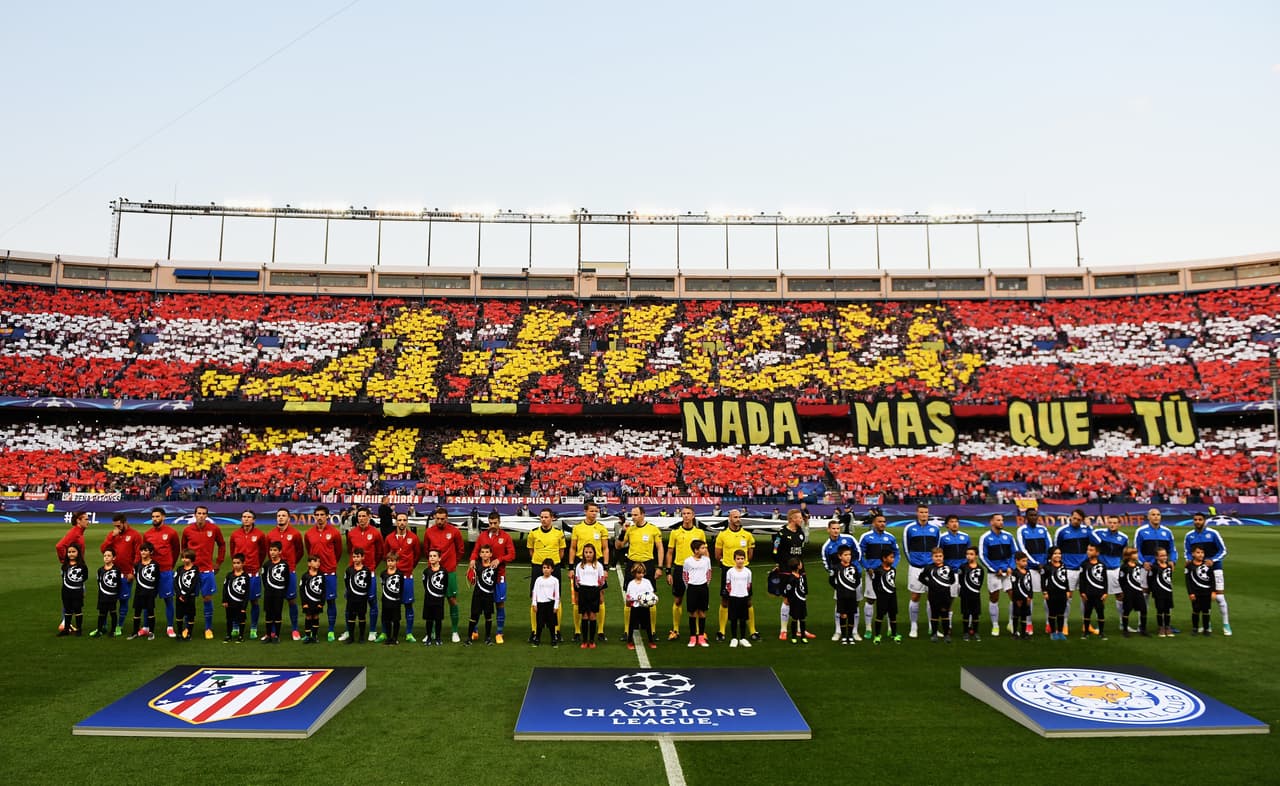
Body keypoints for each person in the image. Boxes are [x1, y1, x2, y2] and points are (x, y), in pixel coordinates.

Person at [616, 506, 664, 642]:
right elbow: (618, 546)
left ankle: (652, 630)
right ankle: (627, 630)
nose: (633, 517)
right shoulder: (630, 529)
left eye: (636, 515)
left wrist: (659, 567)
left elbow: (660, 548)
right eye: (632, 515)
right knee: (629, 598)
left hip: (648, 565)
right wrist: (622, 532)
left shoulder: (653, 529)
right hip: (632, 564)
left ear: (643, 514)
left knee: (651, 598)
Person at [470, 511, 516, 644]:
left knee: (499, 603)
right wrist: (473, 559)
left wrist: (499, 559)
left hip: (499, 575)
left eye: (495, 523)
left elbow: (512, 555)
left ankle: (499, 632)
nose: (493, 525)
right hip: (483, 576)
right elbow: (475, 551)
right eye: (490, 523)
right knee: (479, 603)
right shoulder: (482, 536)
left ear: (499, 522)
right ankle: (475, 631)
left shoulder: (506, 537)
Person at [180, 504, 226, 640]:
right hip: (191, 571)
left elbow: (222, 545)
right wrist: (185, 562)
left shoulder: (214, 529)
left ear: (206, 515)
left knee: (207, 598)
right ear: (195, 515)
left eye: (203, 513)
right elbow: (183, 547)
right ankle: (187, 627)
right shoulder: (187, 530)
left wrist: (218, 562)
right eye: (199, 513)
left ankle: (208, 628)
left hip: (206, 570)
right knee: (188, 600)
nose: (201, 515)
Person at [569, 503, 611, 643]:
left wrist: (605, 567)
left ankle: (600, 630)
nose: (594, 513)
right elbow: (573, 548)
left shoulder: (601, 528)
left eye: (596, 511)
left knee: (600, 597)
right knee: (577, 598)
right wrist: (570, 567)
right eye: (592, 511)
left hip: (596, 567)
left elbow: (605, 549)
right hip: (580, 565)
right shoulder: (578, 528)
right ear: (585, 511)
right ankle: (577, 631)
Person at [1184, 512, 1230, 635]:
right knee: (1202, 598)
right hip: (1198, 570)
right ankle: (1206, 625)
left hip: (1215, 568)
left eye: (1200, 519)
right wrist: (1188, 560)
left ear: (1204, 520)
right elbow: (1187, 551)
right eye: (1195, 519)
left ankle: (1226, 624)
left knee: (1219, 597)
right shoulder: (1189, 536)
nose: (1197, 521)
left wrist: (1213, 560)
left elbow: (1223, 550)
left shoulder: (1213, 533)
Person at [715, 509, 757, 641]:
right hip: (728, 570)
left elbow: (750, 554)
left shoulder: (747, 535)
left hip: (743, 572)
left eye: (739, 517)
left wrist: (743, 564)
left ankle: (752, 630)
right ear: (729, 519)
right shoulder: (722, 535)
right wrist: (726, 564)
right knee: (725, 600)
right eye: (735, 517)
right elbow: (717, 554)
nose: (738, 519)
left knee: (748, 600)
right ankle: (721, 631)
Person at [423, 507, 465, 643]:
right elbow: (426, 550)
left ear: (447, 518)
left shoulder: (454, 531)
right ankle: (432, 632)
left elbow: (460, 550)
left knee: (452, 600)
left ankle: (454, 631)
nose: (440, 521)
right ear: (434, 517)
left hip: (449, 572)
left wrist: (453, 564)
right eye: (438, 518)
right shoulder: (429, 532)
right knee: (432, 601)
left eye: (442, 519)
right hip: (433, 573)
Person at [664, 506, 704, 642]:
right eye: (684, 514)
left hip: (696, 570)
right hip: (680, 569)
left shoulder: (699, 533)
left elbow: (705, 552)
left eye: (688, 513)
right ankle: (675, 630)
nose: (686, 516)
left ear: (693, 515)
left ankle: (699, 631)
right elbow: (670, 552)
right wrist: (668, 571)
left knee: (697, 602)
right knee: (678, 600)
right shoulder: (675, 533)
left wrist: (707, 567)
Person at [342, 508, 383, 642]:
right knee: (350, 603)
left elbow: (380, 553)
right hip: (353, 574)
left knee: (372, 602)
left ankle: (372, 631)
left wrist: (371, 567)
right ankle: (349, 631)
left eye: (364, 516)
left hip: (369, 573)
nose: (361, 518)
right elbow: (349, 550)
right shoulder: (352, 533)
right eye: (359, 516)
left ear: (369, 517)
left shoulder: (375, 533)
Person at [303, 505, 342, 642]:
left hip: (329, 572)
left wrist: (330, 563)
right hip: (314, 573)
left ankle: (331, 630)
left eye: (322, 515)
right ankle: (312, 632)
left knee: (330, 601)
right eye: (317, 515)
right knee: (312, 603)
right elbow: (309, 550)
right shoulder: (308, 533)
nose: (319, 517)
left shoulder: (334, 532)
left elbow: (338, 551)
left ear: (327, 516)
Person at [858, 510, 899, 640]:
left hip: (887, 574)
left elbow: (897, 554)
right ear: (874, 523)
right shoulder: (866, 537)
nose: (882, 524)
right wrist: (867, 567)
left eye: (884, 522)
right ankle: (869, 628)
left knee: (888, 600)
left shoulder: (890, 537)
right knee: (870, 599)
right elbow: (859, 555)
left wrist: (893, 566)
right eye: (879, 521)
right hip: (872, 573)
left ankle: (890, 629)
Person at [528, 509, 567, 644]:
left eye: (546, 517)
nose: (543, 519)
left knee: (556, 598)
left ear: (552, 518)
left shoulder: (558, 533)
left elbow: (562, 552)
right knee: (535, 597)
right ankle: (534, 631)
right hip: (538, 567)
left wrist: (552, 564)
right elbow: (531, 550)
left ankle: (556, 630)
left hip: (554, 567)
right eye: (542, 517)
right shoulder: (533, 533)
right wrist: (540, 564)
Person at [266, 508, 305, 640]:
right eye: (279, 515)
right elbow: (268, 552)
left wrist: (291, 564)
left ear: (289, 518)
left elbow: (300, 551)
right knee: (273, 601)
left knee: (291, 600)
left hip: (289, 572)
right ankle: (272, 630)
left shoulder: (295, 533)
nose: (281, 518)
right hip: (274, 574)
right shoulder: (271, 534)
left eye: (283, 515)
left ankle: (294, 629)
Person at [229, 510, 268, 639]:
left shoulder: (260, 535)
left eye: (249, 517)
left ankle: (253, 627)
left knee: (254, 601)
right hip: (238, 574)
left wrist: (256, 565)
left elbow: (263, 552)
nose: (246, 519)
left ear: (254, 520)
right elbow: (232, 552)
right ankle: (235, 625)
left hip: (252, 573)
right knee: (235, 601)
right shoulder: (235, 535)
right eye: (244, 517)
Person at [903, 504, 941, 639]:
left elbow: (938, 547)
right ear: (917, 513)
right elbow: (906, 548)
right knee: (915, 596)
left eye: (926, 512)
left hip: (931, 569)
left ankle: (933, 625)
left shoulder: (935, 529)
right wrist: (914, 562)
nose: (924, 514)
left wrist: (934, 565)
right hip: (916, 567)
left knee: (932, 597)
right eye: (921, 512)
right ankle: (914, 625)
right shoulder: (909, 528)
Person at [385, 511, 424, 642]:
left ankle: (409, 633)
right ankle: (386, 633)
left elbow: (417, 555)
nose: (402, 522)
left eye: (404, 520)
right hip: (392, 577)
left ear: (407, 522)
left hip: (407, 575)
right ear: (396, 522)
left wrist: (410, 567)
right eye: (399, 520)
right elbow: (386, 554)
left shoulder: (413, 537)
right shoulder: (389, 538)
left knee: (408, 604)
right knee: (389, 605)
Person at [101, 513, 141, 638]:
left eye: (119, 525)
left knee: (123, 600)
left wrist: (132, 572)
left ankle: (120, 625)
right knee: (108, 601)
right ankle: (105, 625)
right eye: (115, 526)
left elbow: (138, 555)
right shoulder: (113, 534)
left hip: (126, 574)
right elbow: (103, 550)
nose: (117, 528)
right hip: (112, 574)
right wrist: (112, 537)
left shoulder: (135, 535)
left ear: (125, 522)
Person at [772, 508, 810, 640]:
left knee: (801, 597)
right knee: (787, 599)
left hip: (800, 570)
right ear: (792, 519)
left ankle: (800, 629)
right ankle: (783, 629)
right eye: (799, 518)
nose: (801, 519)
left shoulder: (800, 532)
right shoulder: (781, 533)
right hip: (786, 570)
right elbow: (775, 550)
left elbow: (800, 550)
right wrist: (779, 564)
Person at [1054, 508, 1093, 634]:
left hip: (1084, 569)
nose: (1076, 521)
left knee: (1086, 597)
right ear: (1070, 517)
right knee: (1067, 597)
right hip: (1068, 569)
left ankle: (1086, 624)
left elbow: (1097, 542)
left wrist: (1089, 527)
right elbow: (1056, 548)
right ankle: (1064, 624)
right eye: (1074, 518)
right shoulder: (1062, 531)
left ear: (1082, 520)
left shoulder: (1086, 531)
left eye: (1079, 519)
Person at [143, 507, 180, 638]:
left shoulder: (171, 533)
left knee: (168, 600)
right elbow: (144, 552)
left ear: (163, 517)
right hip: (150, 573)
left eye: (157, 516)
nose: (155, 519)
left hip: (165, 571)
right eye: (153, 517)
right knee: (147, 601)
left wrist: (170, 564)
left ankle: (170, 627)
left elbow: (176, 550)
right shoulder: (147, 534)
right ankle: (146, 627)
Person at [821, 520, 860, 641]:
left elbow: (858, 552)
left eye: (838, 528)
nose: (836, 531)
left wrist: (851, 568)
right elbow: (826, 563)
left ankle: (854, 631)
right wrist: (835, 574)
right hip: (840, 580)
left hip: (854, 577)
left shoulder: (849, 538)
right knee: (839, 604)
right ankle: (838, 631)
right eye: (833, 528)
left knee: (856, 603)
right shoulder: (826, 546)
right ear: (828, 530)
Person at [1015, 508, 1051, 635]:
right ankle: (1029, 624)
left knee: (1048, 596)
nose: (1034, 517)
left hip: (1044, 567)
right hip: (1030, 568)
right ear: (1026, 517)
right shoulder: (1022, 530)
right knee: (1028, 597)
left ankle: (1049, 623)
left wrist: (1047, 561)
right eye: (1031, 515)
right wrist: (1035, 563)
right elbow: (1022, 549)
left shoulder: (1043, 529)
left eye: (1035, 515)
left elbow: (1049, 546)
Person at [978, 513, 1015, 638]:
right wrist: (994, 569)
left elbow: (1013, 553)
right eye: (998, 520)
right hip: (994, 573)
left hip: (1008, 572)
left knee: (1014, 597)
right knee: (994, 598)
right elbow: (983, 556)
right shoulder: (986, 537)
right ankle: (995, 625)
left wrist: (1011, 567)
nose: (1001, 522)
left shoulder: (1009, 536)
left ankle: (1011, 623)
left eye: (1002, 520)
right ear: (992, 522)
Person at [1092, 514, 1129, 629]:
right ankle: (1100, 624)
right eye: (1110, 522)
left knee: (1120, 596)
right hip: (1101, 571)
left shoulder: (1123, 538)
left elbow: (1125, 555)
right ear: (1107, 523)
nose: (1112, 524)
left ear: (1119, 524)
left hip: (1116, 570)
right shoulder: (1099, 533)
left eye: (1115, 523)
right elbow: (1090, 537)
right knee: (1101, 598)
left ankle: (1123, 623)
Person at [938, 514, 969, 632]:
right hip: (950, 574)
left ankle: (969, 624)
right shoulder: (943, 538)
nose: (955, 524)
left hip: (963, 573)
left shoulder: (965, 537)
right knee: (949, 600)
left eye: (956, 521)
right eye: (951, 522)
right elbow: (940, 555)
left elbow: (969, 554)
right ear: (947, 525)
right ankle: (948, 625)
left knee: (967, 599)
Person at [573, 543, 607, 649]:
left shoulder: (598, 566)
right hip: (583, 591)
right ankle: (584, 641)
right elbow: (577, 582)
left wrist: (601, 595)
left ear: (594, 553)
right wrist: (577, 596)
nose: (588, 554)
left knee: (592, 615)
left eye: (590, 552)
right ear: (583, 553)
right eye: (586, 552)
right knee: (584, 616)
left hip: (594, 591)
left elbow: (601, 581)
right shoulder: (579, 566)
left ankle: (592, 641)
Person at [918, 547, 955, 643]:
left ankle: (946, 634)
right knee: (934, 614)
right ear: (932, 557)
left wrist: (944, 585)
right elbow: (921, 578)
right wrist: (930, 584)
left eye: (940, 556)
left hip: (945, 595)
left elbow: (952, 580)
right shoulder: (928, 568)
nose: (938, 558)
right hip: (933, 595)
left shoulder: (948, 567)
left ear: (943, 557)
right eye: (936, 556)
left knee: (945, 614)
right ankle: (934, 634)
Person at [466, 544, 500, 646]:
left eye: (487, 552)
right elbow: (471, 578)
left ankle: (488, 637)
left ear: (491, 554)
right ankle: (469, 637)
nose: (485, 554)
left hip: (488, 595)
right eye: (482, 552)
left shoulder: (494, 566)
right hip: (477, 595)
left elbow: (494, 582)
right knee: (474, 615)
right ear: (479, 554)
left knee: (488, 616)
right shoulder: (476, 565)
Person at [681, 539, 712, 647]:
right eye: (702, 548)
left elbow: (709, 573)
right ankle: (693, 637)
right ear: (696, 550)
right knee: (693, 613)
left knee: (702, 612)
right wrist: (688, 586)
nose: (705, 549)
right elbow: (685, 575)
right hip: (692, 588)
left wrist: (705, 584)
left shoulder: (706, 560)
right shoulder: (688, 561)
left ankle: (701, 637)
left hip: (703, 588)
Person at [261, 542, 291, 644]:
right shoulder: (266, 565)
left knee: (277, 613)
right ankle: (268, 635)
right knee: (268, 614)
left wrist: (283, 591)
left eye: (275, 550)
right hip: (269, 593)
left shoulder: (284, 565)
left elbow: (286, 580)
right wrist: (269, 589)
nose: (272, 553)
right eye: (271, 550)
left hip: (279, 593)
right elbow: (264, 579)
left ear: (280, 552)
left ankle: (277, 635)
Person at [830, 545, 861, 644]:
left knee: (851, 615)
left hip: (852, 595)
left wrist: (851, 587)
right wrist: (838, 588)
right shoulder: (836, 568)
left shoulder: (854, 567)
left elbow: (857, 580)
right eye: (845, 555)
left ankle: (850, 636)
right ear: (840, 556)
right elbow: (831, 580)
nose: (848, 557)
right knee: (843, 615)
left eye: (849, 555)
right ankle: (843, 636)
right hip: (841, 596)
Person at [343, 547, 374, 644]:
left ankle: (361, 637)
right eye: (354, 557)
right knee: (351, 617)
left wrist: (364, 593)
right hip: (352, 598)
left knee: (361, 616)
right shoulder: (349, 570)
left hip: (362, 598)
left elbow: (368, 583)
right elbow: (346, 582)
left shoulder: (366, 570)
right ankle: (351, 637)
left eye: (358, 557)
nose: (355, 559)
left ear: (363, 557)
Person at [129, 542, 159, 640]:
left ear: (151, 552)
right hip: (139, 592)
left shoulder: (155, 565)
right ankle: (135, 632)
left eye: (145, 550)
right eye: (141, 550)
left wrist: (154, 592)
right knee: (137, 612)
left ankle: (151, 632)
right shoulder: (137, 564)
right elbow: (135, 577)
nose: (143, 552)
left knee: (150, 612)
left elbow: (157, 579)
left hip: (150, 592)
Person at [91, 547, 122, 638]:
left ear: (114, 558)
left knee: (113, 613)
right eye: (105, 556)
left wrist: (115, 594)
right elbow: (99, 582)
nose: (106, 557)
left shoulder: (116, 570)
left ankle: (113, 631)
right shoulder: (100, 570)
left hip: (112, 596)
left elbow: (118, 584)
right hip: (102, 596)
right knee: (101, 613)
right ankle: (100, 630)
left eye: (109, 556)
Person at [1079, 543, 1108, 639]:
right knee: (1087, 612)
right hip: (1088, 594)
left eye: (1091, 550)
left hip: (1099, 594)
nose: (1088, 552)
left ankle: (1101, 632)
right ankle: (1086, 631)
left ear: (1097, 553)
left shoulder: (1102, 565)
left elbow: (1105, 580)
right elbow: (1082, 579)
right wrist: (1082, 592)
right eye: (1088, 549)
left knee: (1100, 612)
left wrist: (1105, 592)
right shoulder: (1084, 564)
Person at [1042, 546, 1071, 641]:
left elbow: (1065, 579)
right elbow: (1043, 581)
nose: (1058, 555)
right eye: (1055, 553)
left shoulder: (1063, 565)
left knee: (1061, 613)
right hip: (1051, 593)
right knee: (1052, 613)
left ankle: (1060, 632)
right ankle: (1053, 632)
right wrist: (1045, 592)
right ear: (1051, 555)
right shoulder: (1046, 567)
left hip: (1062, 593)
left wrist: (1068, 590)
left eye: (1059, 553)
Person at [870, 551, 900, 644]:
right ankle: (877, 635)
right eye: (891, 557)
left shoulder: (893, 570)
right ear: (884, 558)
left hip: (892, 596)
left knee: (893, 615)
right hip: (882, 597)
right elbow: (874, 584)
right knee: (879, 616)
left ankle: (894, 634)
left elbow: (892, 582)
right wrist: (878, 595)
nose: (893, 559)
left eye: (893, 557)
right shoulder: (878, 571)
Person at [58, 544, 87, 637]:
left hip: (77, 592)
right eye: (69, 552)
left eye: (73, 552)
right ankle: (66, 629)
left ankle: (79, 629)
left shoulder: (82, 566)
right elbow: (63, 577)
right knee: (67, 610)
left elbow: (85, 577)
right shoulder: (65, 566)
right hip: (66, 592)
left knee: (78, 609)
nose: (71, 554)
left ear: (78, 553)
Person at [1119, 547, 1149, 637]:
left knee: (1143, 609)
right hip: (1129, 592)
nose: (1137, 555)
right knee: (1127, 610)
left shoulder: (1138, 565)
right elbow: (1121, 580)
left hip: (1138, 591)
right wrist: (1124, 591)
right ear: (1128, 556)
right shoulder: (1124, 567)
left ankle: (1143, 629)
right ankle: (1125, 630)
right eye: (1134, 553)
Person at [725, 550, 753, 648]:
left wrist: (745, 594)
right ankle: (734, 638)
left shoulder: (748, 572)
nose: (740, 561)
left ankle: (743, 638)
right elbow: (728, 584)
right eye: (738, 559)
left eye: (742, 559)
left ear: (745, 559)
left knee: (743, 619)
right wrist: (733, 593)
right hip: (733, 598)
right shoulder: (730, 572)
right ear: (734, 559)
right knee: (733, 619)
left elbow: (749, 585)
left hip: (744, 597)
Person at [1185, 545, 1215, 636]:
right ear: (1193, 554)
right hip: (1196, 593)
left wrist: (1213, 591)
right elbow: (1188, 581)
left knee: (1206, 610)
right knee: (1196, 610)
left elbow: (1212, 579)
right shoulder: (1189, 566)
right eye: (1198, 552)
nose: (1200, 554)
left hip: (1206, 592)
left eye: (1202, 552)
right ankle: (1195, 628)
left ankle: (1206, 628)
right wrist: (1191, 593)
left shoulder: (1207, 565)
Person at [531, 558, 562, 646]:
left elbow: (557, 594)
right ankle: (537, 638)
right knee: (539, 623)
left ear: (552, 569)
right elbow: (535, 592)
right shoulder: (538, 580)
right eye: (544, 568)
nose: (546, 570)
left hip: (550, 604)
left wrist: (556, 605)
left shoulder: (555, 580)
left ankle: (553, 639)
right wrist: (534, 603)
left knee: (551, 624)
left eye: (548, 568)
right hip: (540, 604)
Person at [421, 548, 447, 646]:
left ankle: (438, 637)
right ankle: (428, 637)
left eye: (434, 556)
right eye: (430, 556)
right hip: (428, 599)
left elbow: (445, 585)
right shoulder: (426, 572)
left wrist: (440, 595)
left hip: (439, 600)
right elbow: (425, 584)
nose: (432, 558)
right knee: (429, 619)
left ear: (439, 558)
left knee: (438, 619)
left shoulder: (444, 572)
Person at [780, 557, 809, 644]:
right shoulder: (791, 578)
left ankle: (803, 635)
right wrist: (788, 598)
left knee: (803, 618)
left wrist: (804, 595)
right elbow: (788, 590)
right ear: (798, 566)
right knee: (795, 619)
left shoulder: (801, 576)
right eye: (800, 563)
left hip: (802, 600)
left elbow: (803, 588)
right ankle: (793, 636)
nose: (801, 564)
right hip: (795, 602)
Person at [221, 553, 249, 642]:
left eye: (238, 563)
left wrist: (244, 606)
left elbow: (246, 593)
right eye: (234, 563)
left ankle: (241, 636)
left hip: (240, 603)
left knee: (241, 619)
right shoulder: (229, 575)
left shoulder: (245, 576)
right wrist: (224, 600)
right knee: (229, 619)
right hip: (230, 603)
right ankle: (228, 635)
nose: (236, 565)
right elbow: (225, 588)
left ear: (243, 563)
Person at [959, 547, 985, 641]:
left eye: (971, 554)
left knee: (975, 614)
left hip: (975, 595)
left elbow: (980, 582)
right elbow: (960, 580)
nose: (968, 556)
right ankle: (965, 632)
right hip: (965, 594)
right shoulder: (963, 567)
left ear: (976, 556)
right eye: (967, 554)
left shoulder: (980, 569)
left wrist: (975, 590)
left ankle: (976, 632)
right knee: (966, 614)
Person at [173, 549, 199, 641]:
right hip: (179, 596)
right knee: (179, 615)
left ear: (192, 559)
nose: (184, 560)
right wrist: (179, 594)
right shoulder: (179, 569)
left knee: (191, 615)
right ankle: (179, 633)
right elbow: (175, 582)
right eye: (183, 558)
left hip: (190, 596)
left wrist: (186, 595)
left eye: (187, 558)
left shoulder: (195, 569)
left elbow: (194, 584)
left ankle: (189, 634)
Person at [1151, 547, 1176, 637]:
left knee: (1167, 610)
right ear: (1156, 557)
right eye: (1161, 556)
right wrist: (1153, 591)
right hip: (1158, 592)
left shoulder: (1169, 566)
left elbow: (1169, 578)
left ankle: (1167, 627)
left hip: (1168, 591)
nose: (1164, 557)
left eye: (1165, 555)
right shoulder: (1154, 567)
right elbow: (1150, 579)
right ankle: (1161, 627)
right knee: (1160, 610)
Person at [380, 552, 404, 645]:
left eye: (392, 561)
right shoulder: (383, 574)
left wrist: (399, 598)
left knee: (396, 619)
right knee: (387, 620)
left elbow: (401, 587)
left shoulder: (400, 574)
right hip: (386, 601)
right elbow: (382, 585)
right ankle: (389, 637)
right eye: (388, 561)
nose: (390, 563)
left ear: (397, 562)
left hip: (395, 601)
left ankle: (395, 638)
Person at [1010, 552, 1033, 640]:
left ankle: (1023, 633)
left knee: (1024, 615)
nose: (1025, 563)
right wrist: (1017, 599)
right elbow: (1014, 587)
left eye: (1026, 561)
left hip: (1026, 598)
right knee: (1016, 615)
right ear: (1017, 561)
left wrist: (1030, 596)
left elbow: (1030, 585)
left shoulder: (1027, 572)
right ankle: (1015, 632)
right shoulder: (1014, 573)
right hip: (1018, 599)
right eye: (1023, 561)